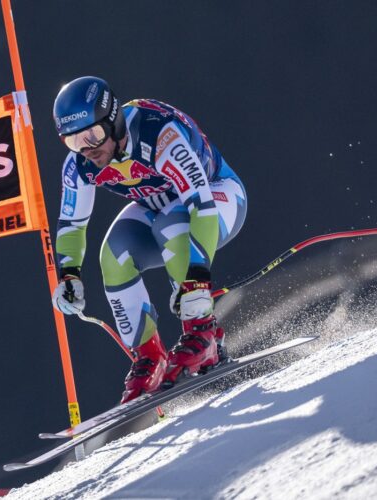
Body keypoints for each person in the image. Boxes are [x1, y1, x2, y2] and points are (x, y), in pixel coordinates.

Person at [50, 76, 247, 403]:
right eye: (72, 142)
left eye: (93, 135)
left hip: (219, 198)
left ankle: (204, 332)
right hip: (158, 206)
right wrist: (69, 275)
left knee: (172, 223)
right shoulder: (79, 165)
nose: (87, 148)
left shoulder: (160, 134)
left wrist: (196, 284)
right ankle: (149, 357)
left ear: (112, 121)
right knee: (114, 254)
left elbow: (200, 204)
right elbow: (72, 222)